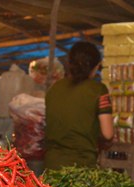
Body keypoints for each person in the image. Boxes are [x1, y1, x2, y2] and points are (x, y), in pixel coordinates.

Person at [44, 41, 113, 170]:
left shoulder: (54, 88)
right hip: (80, 169)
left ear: (69, 64)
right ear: (96, 66)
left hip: (51, 166)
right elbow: (108, 134)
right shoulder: (98, 90)